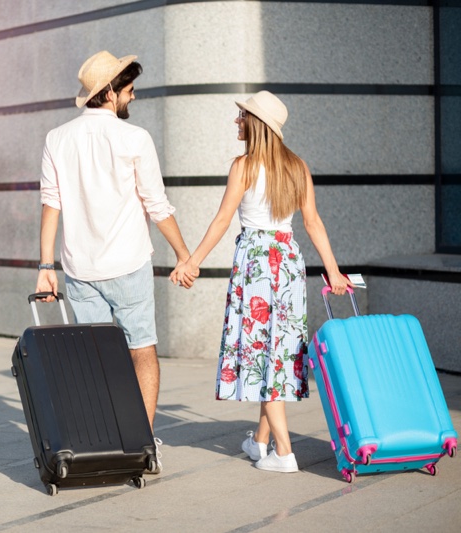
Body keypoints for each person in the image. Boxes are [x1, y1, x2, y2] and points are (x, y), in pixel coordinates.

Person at [171, 90, 352, 473]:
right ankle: (260, 442)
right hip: (287, 262)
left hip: (255, 265)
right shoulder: (297, 167)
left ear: (257, 124)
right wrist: (334, 270)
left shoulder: (244, 166)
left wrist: (192, 262)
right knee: (277, 351)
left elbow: (222, 220)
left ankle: (284, 453)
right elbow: (313, 223)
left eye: (241, 116)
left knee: (261, 352)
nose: (237, 121)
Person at [36, 51, 192, 473]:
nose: (133, 96)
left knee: (100, 358)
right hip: (128, 265)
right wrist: (184, 254)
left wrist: (45, 266)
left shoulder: (57, 138)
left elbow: (52, 205)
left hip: (80, 269)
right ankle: (143, 443)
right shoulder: (134, 138)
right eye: (127, 89)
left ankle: (108, 439)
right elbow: (156, 205)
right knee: (142, 350)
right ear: (108, 93)